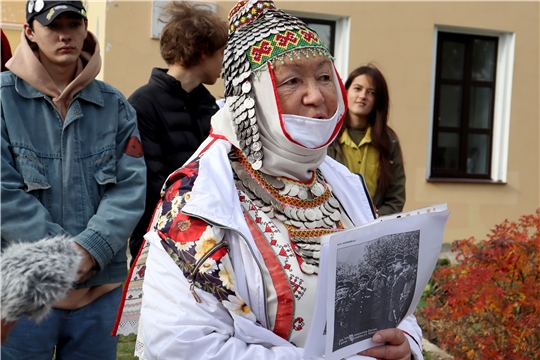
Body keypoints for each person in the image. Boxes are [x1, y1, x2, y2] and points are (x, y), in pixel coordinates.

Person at [116, 1, 423, 359]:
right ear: (252, 97)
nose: (317, 96)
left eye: (325, 77)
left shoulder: (346, 186)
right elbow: (180, 344)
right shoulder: (196, 199)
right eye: (292, 80)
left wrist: (405, 342)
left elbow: (392, 300)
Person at [1, 1, 146, 359]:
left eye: (74, 23)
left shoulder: (116, 106)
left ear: (85, 28)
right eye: (53, 25)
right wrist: (63, 257)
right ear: (30, 32)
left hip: (100, 292)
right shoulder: (3, 99)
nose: (66, 34)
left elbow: (129, 188)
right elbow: (4, 193)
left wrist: (91, 250)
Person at [127, 1, 228, 263]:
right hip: (159, 244)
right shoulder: (143, 104)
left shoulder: (209, 106)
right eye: (221, 52)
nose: (224, 61)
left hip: (210, 240)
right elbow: (149, 184)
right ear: (204, 51)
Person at [328, 64, 406, 216]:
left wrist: (374, 221)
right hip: (335, 225)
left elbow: (396, 198)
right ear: (345, 91)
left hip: (375, 227)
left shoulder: (389, 141)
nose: (363, 96)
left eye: (371, 92)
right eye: (357, 88)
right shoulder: (328, 136)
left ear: (378, 100)